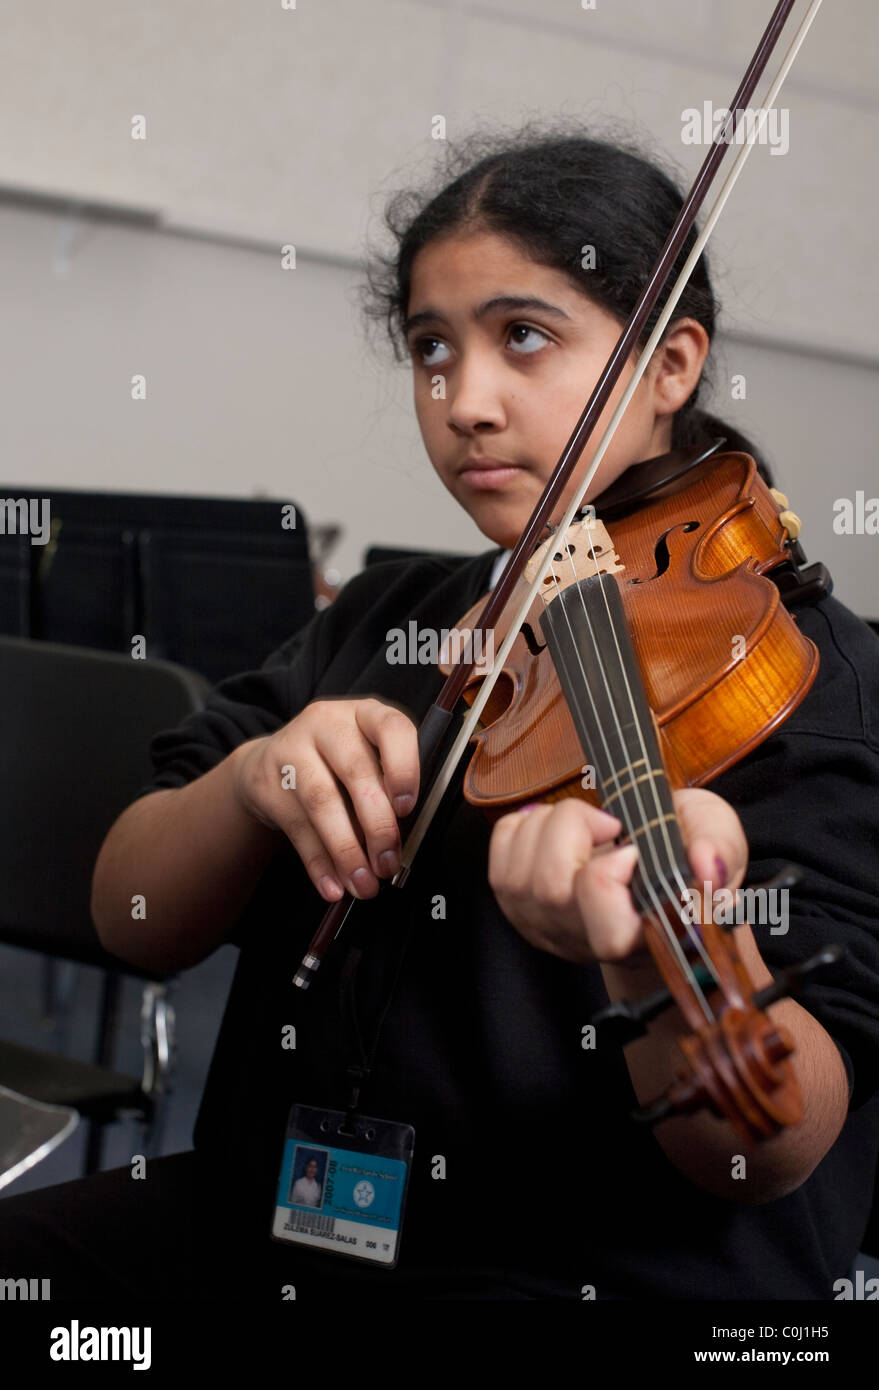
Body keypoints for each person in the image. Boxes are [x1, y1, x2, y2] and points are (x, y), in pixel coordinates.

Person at [2, 128, 878, 1303]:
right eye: (429, 348)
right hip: (286, 1224)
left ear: (672, 365)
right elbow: (135, 915)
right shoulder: (386, 617)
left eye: (524, 336)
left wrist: (643, 952)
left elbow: (766, 1147)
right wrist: (256, 776)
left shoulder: (804, 679)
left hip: (598, 1271)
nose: (463, 401)